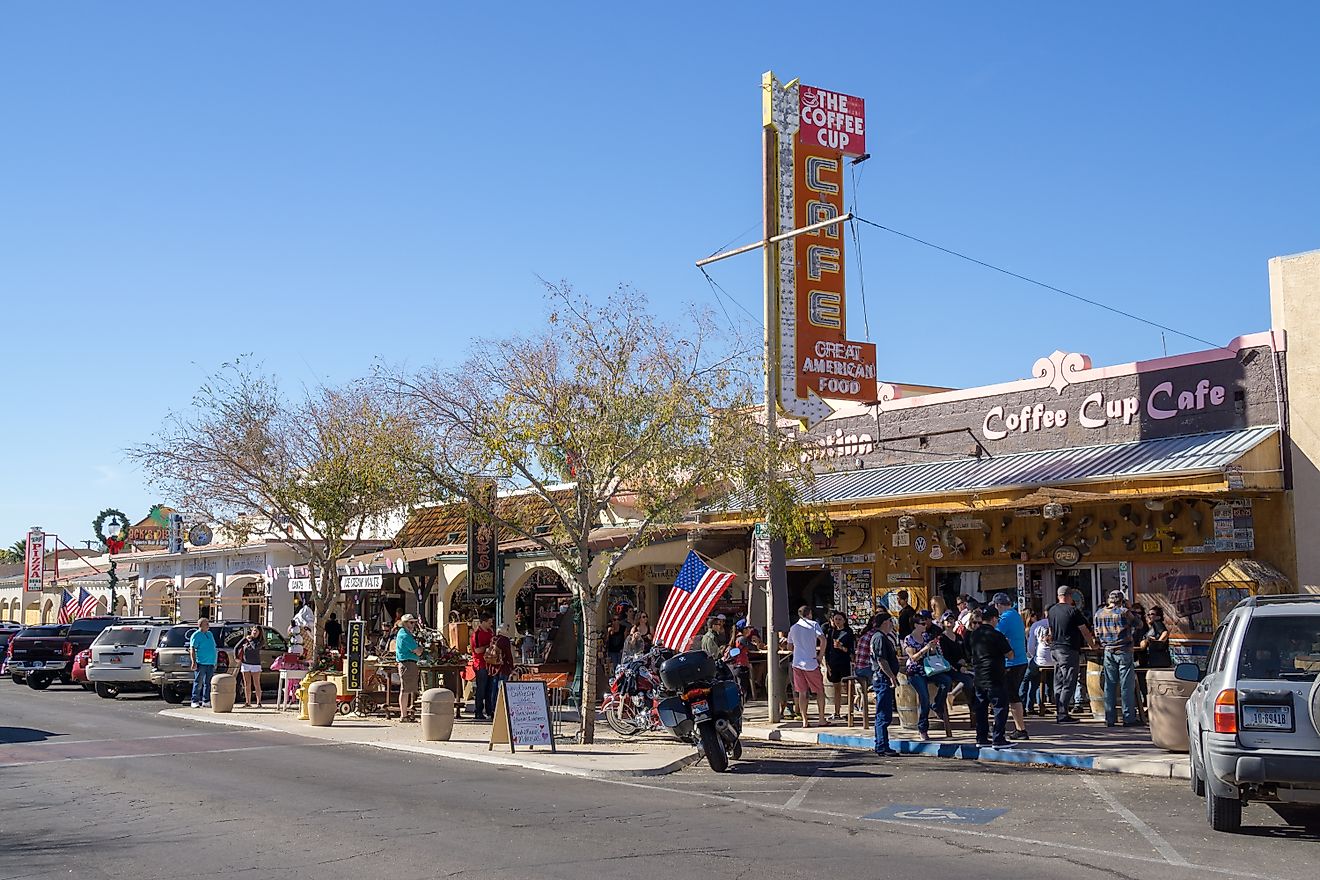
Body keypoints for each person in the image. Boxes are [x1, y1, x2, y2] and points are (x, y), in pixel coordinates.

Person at [1047, 585, 1097, 723]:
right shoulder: (1073, 611)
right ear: (1070, 596)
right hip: (1068, 649)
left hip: (1055, 649)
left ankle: (1059, 711)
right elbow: (1084, 630)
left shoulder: (1051, 611)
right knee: (1069, 681)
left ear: (1058, 596)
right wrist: (1092, 645)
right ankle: (1063, 714)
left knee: (1058, 681)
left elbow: (1050, 631)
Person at [965, 605, 1014, 748]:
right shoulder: (996, 635)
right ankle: (998, 738)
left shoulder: (973, 634)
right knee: (1000, 707)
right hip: (995, 675)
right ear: (993, 619)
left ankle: (981, 737)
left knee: (981, 707)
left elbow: (969, 652)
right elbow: (1010, 655)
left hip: (979, 675)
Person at [903, 610, 953, 741]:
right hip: (915, 671)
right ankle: (923, 728)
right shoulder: (909, 639)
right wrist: (925, 649)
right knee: (924, 698)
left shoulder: (926, 636)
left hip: (928, 669)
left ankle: (937, 704)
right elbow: (913, 657)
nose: (925, 626)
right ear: (915, 625)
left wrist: (932, 648)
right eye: (922, 624)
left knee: (947, 681)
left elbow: (932, 653)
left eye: (925, 624)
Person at [1092, 590, 1140, 727]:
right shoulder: (1124, 612)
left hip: (1108, 650)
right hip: (1124, 650)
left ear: (1109, 600)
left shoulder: (1099, 613)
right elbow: (1139, 624)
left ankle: (1110, 718)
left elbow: (1096, 632)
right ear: (1121, 600)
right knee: (1126, 685)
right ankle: (1128, 717)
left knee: (1109, 685)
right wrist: (1130, 608)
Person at [992, 593, 1031, 741]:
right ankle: (1010, 727)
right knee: (1009, 695)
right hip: (1020, 660)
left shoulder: (1006, 617)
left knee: (1011, 696)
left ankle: (1021, 729)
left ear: (998, 605)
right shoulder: (1015, 615)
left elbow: (994, 633)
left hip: (1011, 662)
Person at [787, 605, 827, 728]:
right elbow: (823, 639)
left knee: (802, 692)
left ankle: (805, 720)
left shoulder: (793, 628)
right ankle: (821, 718)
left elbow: (789, 646)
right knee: (820, 691)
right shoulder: (813, 624)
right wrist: (820, 655)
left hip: (797, 662)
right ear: (809, 613)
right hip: (811, 662)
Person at [870, 614, 901, 757]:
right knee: (883, 713)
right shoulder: (879, 638)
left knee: (883, 712)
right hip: (882, 678)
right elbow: (881, 660)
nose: (891, 624)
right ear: (883, 623)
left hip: (883, 678)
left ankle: (881, 744)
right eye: (889, 621)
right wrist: (891, 676)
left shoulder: (881, 637)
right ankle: (882, 745)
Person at [822, 611, 855, 721]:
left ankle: (850, 712)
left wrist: (841, 647)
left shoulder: (848, 632)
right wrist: (827, 663)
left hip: (844, 662)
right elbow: (827, 649)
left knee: (848, 688)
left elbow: (851, 650)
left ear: (844, 620)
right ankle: (836, 712)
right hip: (833, 662)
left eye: (840, 619)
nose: (837, 622)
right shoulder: (831, 632)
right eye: (836, 619)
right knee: (836, 688)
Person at [1024, 610, 1054, 716]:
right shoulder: (1057, 623)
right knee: (1039, 680)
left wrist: (1034, 657)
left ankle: (1027, 706)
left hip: (1040, 660)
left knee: (1028, 679)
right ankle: (1042, 704)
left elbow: (1031, 647)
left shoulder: (1036, 625)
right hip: (1056, 660)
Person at [395, 614, 423, 722]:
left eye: (414, 622)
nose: (413, 624)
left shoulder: (407, 634)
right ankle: (404, 715)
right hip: (407, 664)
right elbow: (418, 651)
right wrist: (420, 648)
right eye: (411, 622)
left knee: (408, 689)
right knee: (405, 689)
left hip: (409, 663)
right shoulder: (404, 635)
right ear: (405, 623)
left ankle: (407, 713)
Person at [469, 612, 496, 721]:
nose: (491, 624)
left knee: (490, 689)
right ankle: (478, 711)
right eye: (489, 622)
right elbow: (477, 650)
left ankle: (490, 711)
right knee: (481, 689)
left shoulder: (490, 631)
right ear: (483, 622)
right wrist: (489, 647)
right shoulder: (476, 634)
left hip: (490, 663)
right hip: (480, 664)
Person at [188, 618, 218, 709]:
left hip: (210, 662)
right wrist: (193, 661)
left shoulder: (210, 634)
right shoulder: (196, 635)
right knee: (198, 682)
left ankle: (206, 700)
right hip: (201, 662)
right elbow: (192, 649)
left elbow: (213, 647)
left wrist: (215, 661)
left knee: (208, 683)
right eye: (206, 624)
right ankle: (195, 701)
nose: (208, 626)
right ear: (200, 625)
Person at [488, 622, 517, 711]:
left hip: (494, 668)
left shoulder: (493, 639)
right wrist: (512, 667)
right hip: (503, 668)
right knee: (502, 689)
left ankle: (493, 708)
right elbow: (508, 655)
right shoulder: (505, 640)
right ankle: (501, 708)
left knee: (494, 689)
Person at [728, 621, 759, 701]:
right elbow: (753, 648)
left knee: (740, 687)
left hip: (736, 666)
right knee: (742, 689)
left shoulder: (737, 638)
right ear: (744, 629)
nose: (751, 630)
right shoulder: (742, 639)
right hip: (741, 667)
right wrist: (757, 642)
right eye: (749, 628)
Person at [237, 625, 265, 709]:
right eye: (254, 631)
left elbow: (255, 647)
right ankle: (247, 702)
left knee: (256, 683)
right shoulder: (246, 639)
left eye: (256, 631)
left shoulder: (260, 641)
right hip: (245, 664)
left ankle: (259, 702)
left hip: (255, 665)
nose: (255, 632)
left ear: (259, 633)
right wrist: (236, 657)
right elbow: (237, 646)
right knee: (247, 684)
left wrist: (251, 640)